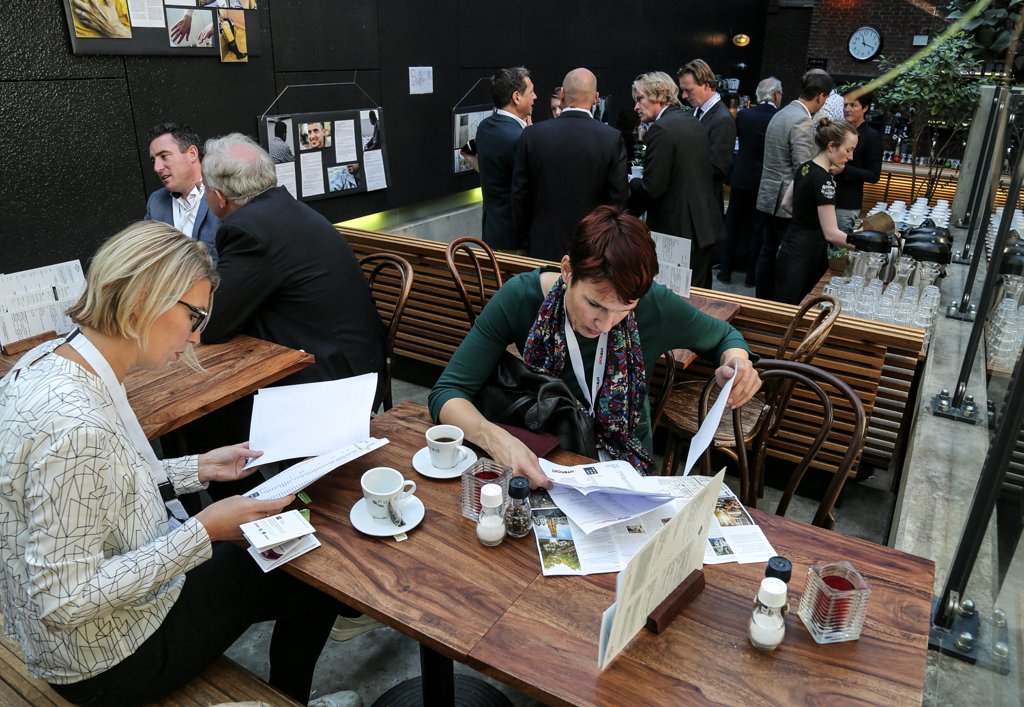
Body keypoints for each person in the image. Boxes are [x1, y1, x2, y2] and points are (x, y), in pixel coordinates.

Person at [0, 221, 343, 705]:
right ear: (143, 298)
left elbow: (100, 489)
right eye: (194, 316)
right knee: (312, 572)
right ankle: (289, 698)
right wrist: (203, 530)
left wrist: (198, 468)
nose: (198, 337)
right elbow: (64, 600)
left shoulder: (49, 360)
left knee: (283, 555)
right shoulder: (77, 428)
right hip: (105, 660)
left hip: (74, 636)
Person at [428, 206, 761, 489]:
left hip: (625, 467)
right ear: (567, 270)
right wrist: (494, 437)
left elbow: (724, 335)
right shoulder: (521, 298)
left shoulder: (653, 305)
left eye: (624, 309)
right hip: (543, 456)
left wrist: (737, 363)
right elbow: (447, 392)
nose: (606, 323)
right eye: (595, 304)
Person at [510, 68, 628, 262]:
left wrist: (525, 241)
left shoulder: (532, 135)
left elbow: (520, 195)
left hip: (541, 245)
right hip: (591, 249)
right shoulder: (611, 139)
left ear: (563, 94)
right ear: (596, 98)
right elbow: (618, 201)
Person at [627, 71, 724, 289]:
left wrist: (631, 182)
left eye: (640, 98)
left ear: (659, 96)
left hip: (678, 232)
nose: (636, 106)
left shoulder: (662, 129)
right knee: (698, 294)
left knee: (674, 297)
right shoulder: (690, 120)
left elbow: (653, 188)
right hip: (703, 226)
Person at [755, 69, 833, 300]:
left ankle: (762, 300)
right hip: (785, 200)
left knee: (766, 253)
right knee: (784, 257)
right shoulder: (801, 119)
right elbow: (803, 167)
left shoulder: (781, 113)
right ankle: (776, 304)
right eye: (826, 98)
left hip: (769, 195)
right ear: (820, 96)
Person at [775, 119, 857, 305]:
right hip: (807, 256)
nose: (850, 157)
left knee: (783, 306)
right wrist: (864, 245)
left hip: (789, 248)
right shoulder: (825, 181)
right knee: (797, 313)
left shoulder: (805, 167)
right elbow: (831, 234)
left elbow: (786, 204)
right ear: (831, 146)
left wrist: (807, 217)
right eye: (848, 150)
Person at [720, 77, 782, 286]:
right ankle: (750, 276)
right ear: (776, 95)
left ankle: (725, 270)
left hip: (741, 176)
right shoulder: (779, 117)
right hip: (764, 179)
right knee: (758, 228)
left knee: (732, 224)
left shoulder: (744, 115)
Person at [476, 66, 537, 253]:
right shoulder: (522, 138)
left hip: (492, 233)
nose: (535, 97)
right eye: (531, 91)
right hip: (516, 239)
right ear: (516, 97)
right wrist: (532, 137)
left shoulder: (484, 127)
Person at [145, 122, 221, 265]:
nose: (157, 167)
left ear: (192, 154)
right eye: (153, 160)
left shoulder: (223, 194)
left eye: (164, 156)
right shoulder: (156, 202)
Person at [677, 59, 736, 216]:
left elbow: (717, 169)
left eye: (689, 90)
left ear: (706, 85)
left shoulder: (723, 119)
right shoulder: (692, 112)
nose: (684, 96)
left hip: (704, 207)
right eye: (682, 90)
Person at [835, 89, 883, 233]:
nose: (847, 109)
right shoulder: (838, 130)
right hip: (825, 198)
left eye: (853, 105)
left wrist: (844, 170)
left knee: (838, 251)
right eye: (845, 105)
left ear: (865, 108)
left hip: (846, 203)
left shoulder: (871, 136)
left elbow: (874, 175)